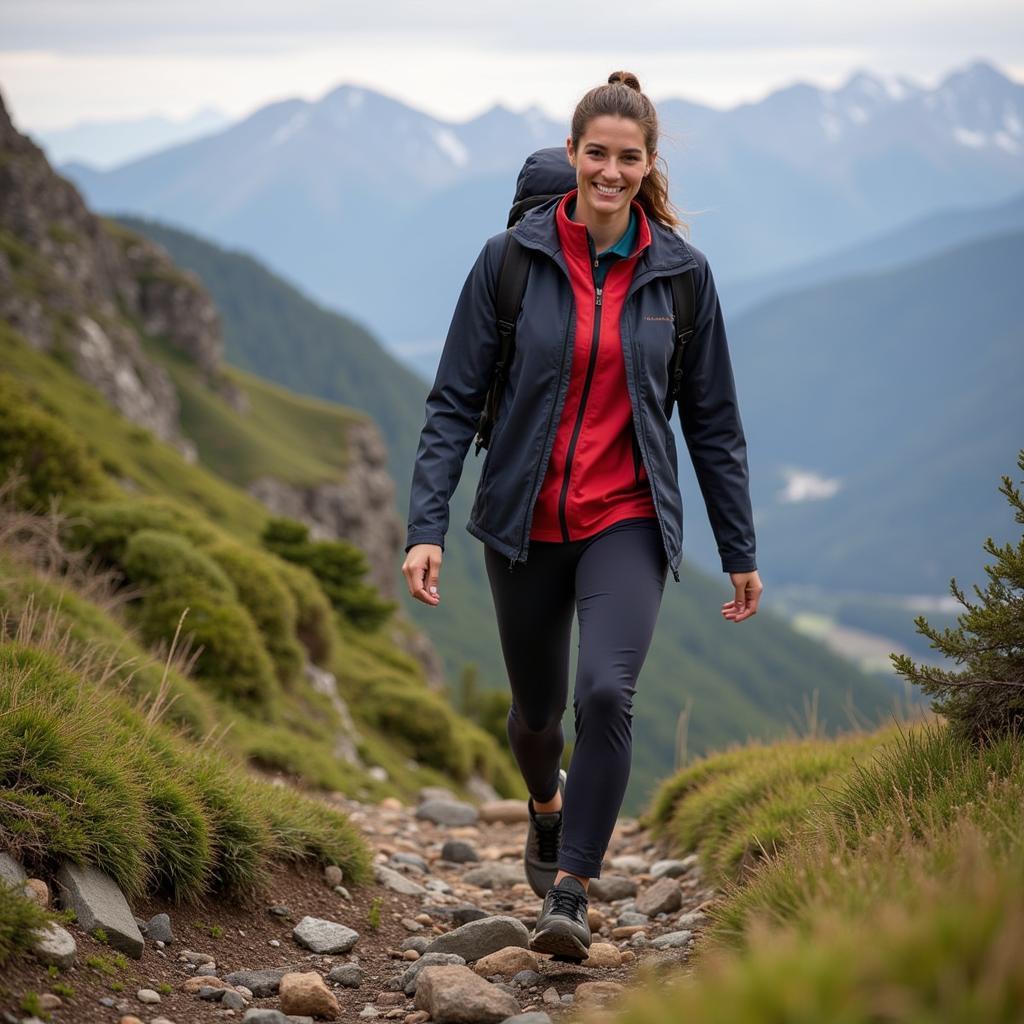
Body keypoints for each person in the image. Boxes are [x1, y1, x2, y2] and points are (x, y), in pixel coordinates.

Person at [402, 71, 764, 961]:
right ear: (571, 157)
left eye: (627, 157)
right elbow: (453, 401)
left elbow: (713, 420)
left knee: (607, 691)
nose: (610, 170)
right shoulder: (509, 262)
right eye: (595, 154)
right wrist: (425, 525)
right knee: (537, 716)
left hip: (627, 520)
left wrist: (739, 546)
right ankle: (546, 803)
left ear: (648, 165)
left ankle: (571, 890)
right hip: (522, 522)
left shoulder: (681, 277)